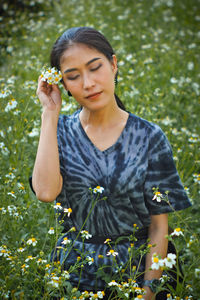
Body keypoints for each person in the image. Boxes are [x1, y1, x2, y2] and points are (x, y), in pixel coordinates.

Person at [30, 27, 191, 299]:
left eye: (95, 68)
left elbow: (158, 227)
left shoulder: (149, 137)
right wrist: (50, 113)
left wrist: (148, 293)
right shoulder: (59, 132)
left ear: (114, 65)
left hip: (136, 272)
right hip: (72, 275)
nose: (88, 83)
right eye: (73, 76)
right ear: (64, 84)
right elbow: (46, 193)